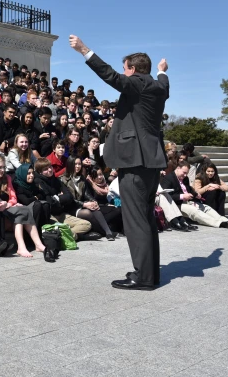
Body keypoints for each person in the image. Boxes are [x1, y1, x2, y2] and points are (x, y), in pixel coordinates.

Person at [70, 34, 168, 290]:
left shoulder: (136, 83)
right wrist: (161, 72)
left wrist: (84, 50)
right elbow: (163, 82)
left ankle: (143, 277)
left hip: (135, 161)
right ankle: (150, 273)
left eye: (126, 68)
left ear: (133, 70)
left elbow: (111, 76)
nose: (124, 73)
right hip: (151, 162)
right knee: (145, 219)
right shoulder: (159, 86)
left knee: (135, 221)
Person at [0, 155, 46, 258]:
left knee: (23, 210)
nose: (2, 170)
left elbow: (13, 197)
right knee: (21, 211)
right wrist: (6, 205)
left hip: (7, 208)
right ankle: (23, 246)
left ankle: (37, 244)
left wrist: (8, 204)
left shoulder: (7, 178)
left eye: (4, 167)